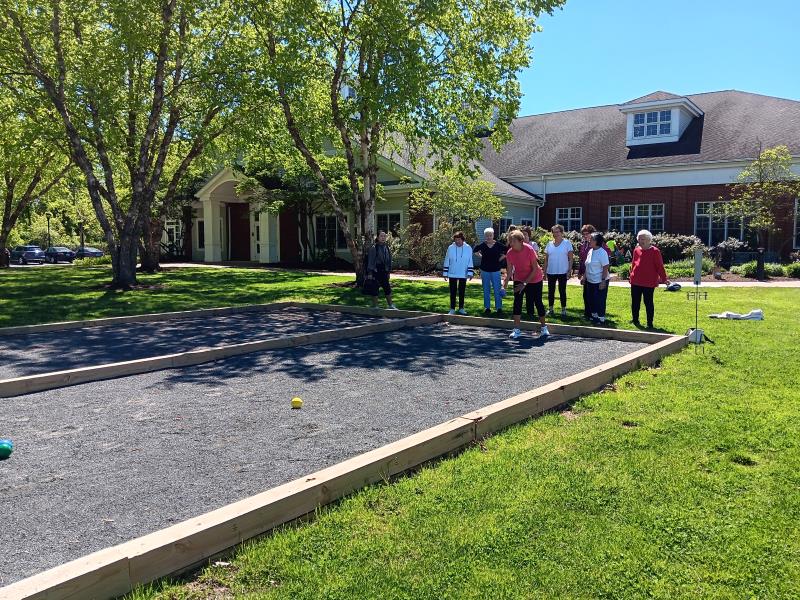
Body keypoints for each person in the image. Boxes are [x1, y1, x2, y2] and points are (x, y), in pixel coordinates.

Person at [503, 230, 549, 339]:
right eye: (510, 241)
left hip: (535, 278)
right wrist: (503, 286)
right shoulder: (509, 253)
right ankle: (517, 330)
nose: (511, 243)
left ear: (521, 241)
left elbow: (534, 269)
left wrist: (524, 284)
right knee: (517, 302)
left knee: (537, 302)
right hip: (519, 278)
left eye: (513, 241)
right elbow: (509, 272)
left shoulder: (529, 249)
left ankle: (544, 328)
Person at [629, 229, 670, 328]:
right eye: (639, 239)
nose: (640, 241)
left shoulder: (655, 251)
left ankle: (649, 323)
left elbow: (660, 266)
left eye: (643, 239)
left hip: (649, 281)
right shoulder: (636, 250)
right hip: (636, 280)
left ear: (649, 240)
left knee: (648, 302)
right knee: (635, 301)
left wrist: (664, 279)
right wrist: (631, 275)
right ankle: (635, 320)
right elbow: (633, 263)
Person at [577, 224, 611, 319]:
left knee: (599, 300)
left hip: (599, 279)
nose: (588, 239)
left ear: (596, 241)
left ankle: (601, 318)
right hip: (590, 279)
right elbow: (586, 264)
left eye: (590, 238)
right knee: (590, 299)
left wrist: (603, 280)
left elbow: (605, 266)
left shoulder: (602, 251)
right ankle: (592, 315)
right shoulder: (589, 250)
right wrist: (584, 276)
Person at [473, 227, 506, 314]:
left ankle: (499, 307)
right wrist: (481, 256)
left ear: (493, 235)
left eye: (490, 235)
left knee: (497, 289)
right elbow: (475, 251)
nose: (489, 237)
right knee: (486, 289)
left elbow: (506, 251)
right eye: (487, 236)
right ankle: (487, 307)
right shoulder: (482, 245)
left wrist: (500, 259)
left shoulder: (498, 245)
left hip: (496, 270)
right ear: (485, 236)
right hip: (485, 270)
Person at [543, 224, 574, 317]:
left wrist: (569, 270)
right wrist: (544, 272)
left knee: (562, 291)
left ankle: (563, 310)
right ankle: (551, 309)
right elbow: (546, 260)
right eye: (554, 232)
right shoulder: (549, 244)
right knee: (550, 291)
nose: (555, 234)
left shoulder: (567, 243)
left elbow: (571, 258)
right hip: (551, 271)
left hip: (563, 271)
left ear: (561, 233)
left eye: (557, 232)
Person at [442, 231, 474, 315]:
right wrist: (445, 273)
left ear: (462, 239)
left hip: (463, 273)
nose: (457, 241)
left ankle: (461, 308)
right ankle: (452, 308)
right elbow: (447, 259)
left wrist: (470, 273)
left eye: (459, 240)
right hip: (452, 272)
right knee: (452, 291)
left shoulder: (468, 248)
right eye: (456, 240)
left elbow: (470, 260)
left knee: (462, 291)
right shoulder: (450, 248)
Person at [366, 231, 397, 309]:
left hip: (384, 270)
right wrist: (370, 273)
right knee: (375, 288)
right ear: (378, 237)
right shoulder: (374, 248)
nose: (383, 238)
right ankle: (376, 306)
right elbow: (371, 261)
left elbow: (389, 259)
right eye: (381, 236)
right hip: (376, 271)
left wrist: (388, 271)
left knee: (387, 288)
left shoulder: (387, 247)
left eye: (384, 236)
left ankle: (391, 305)